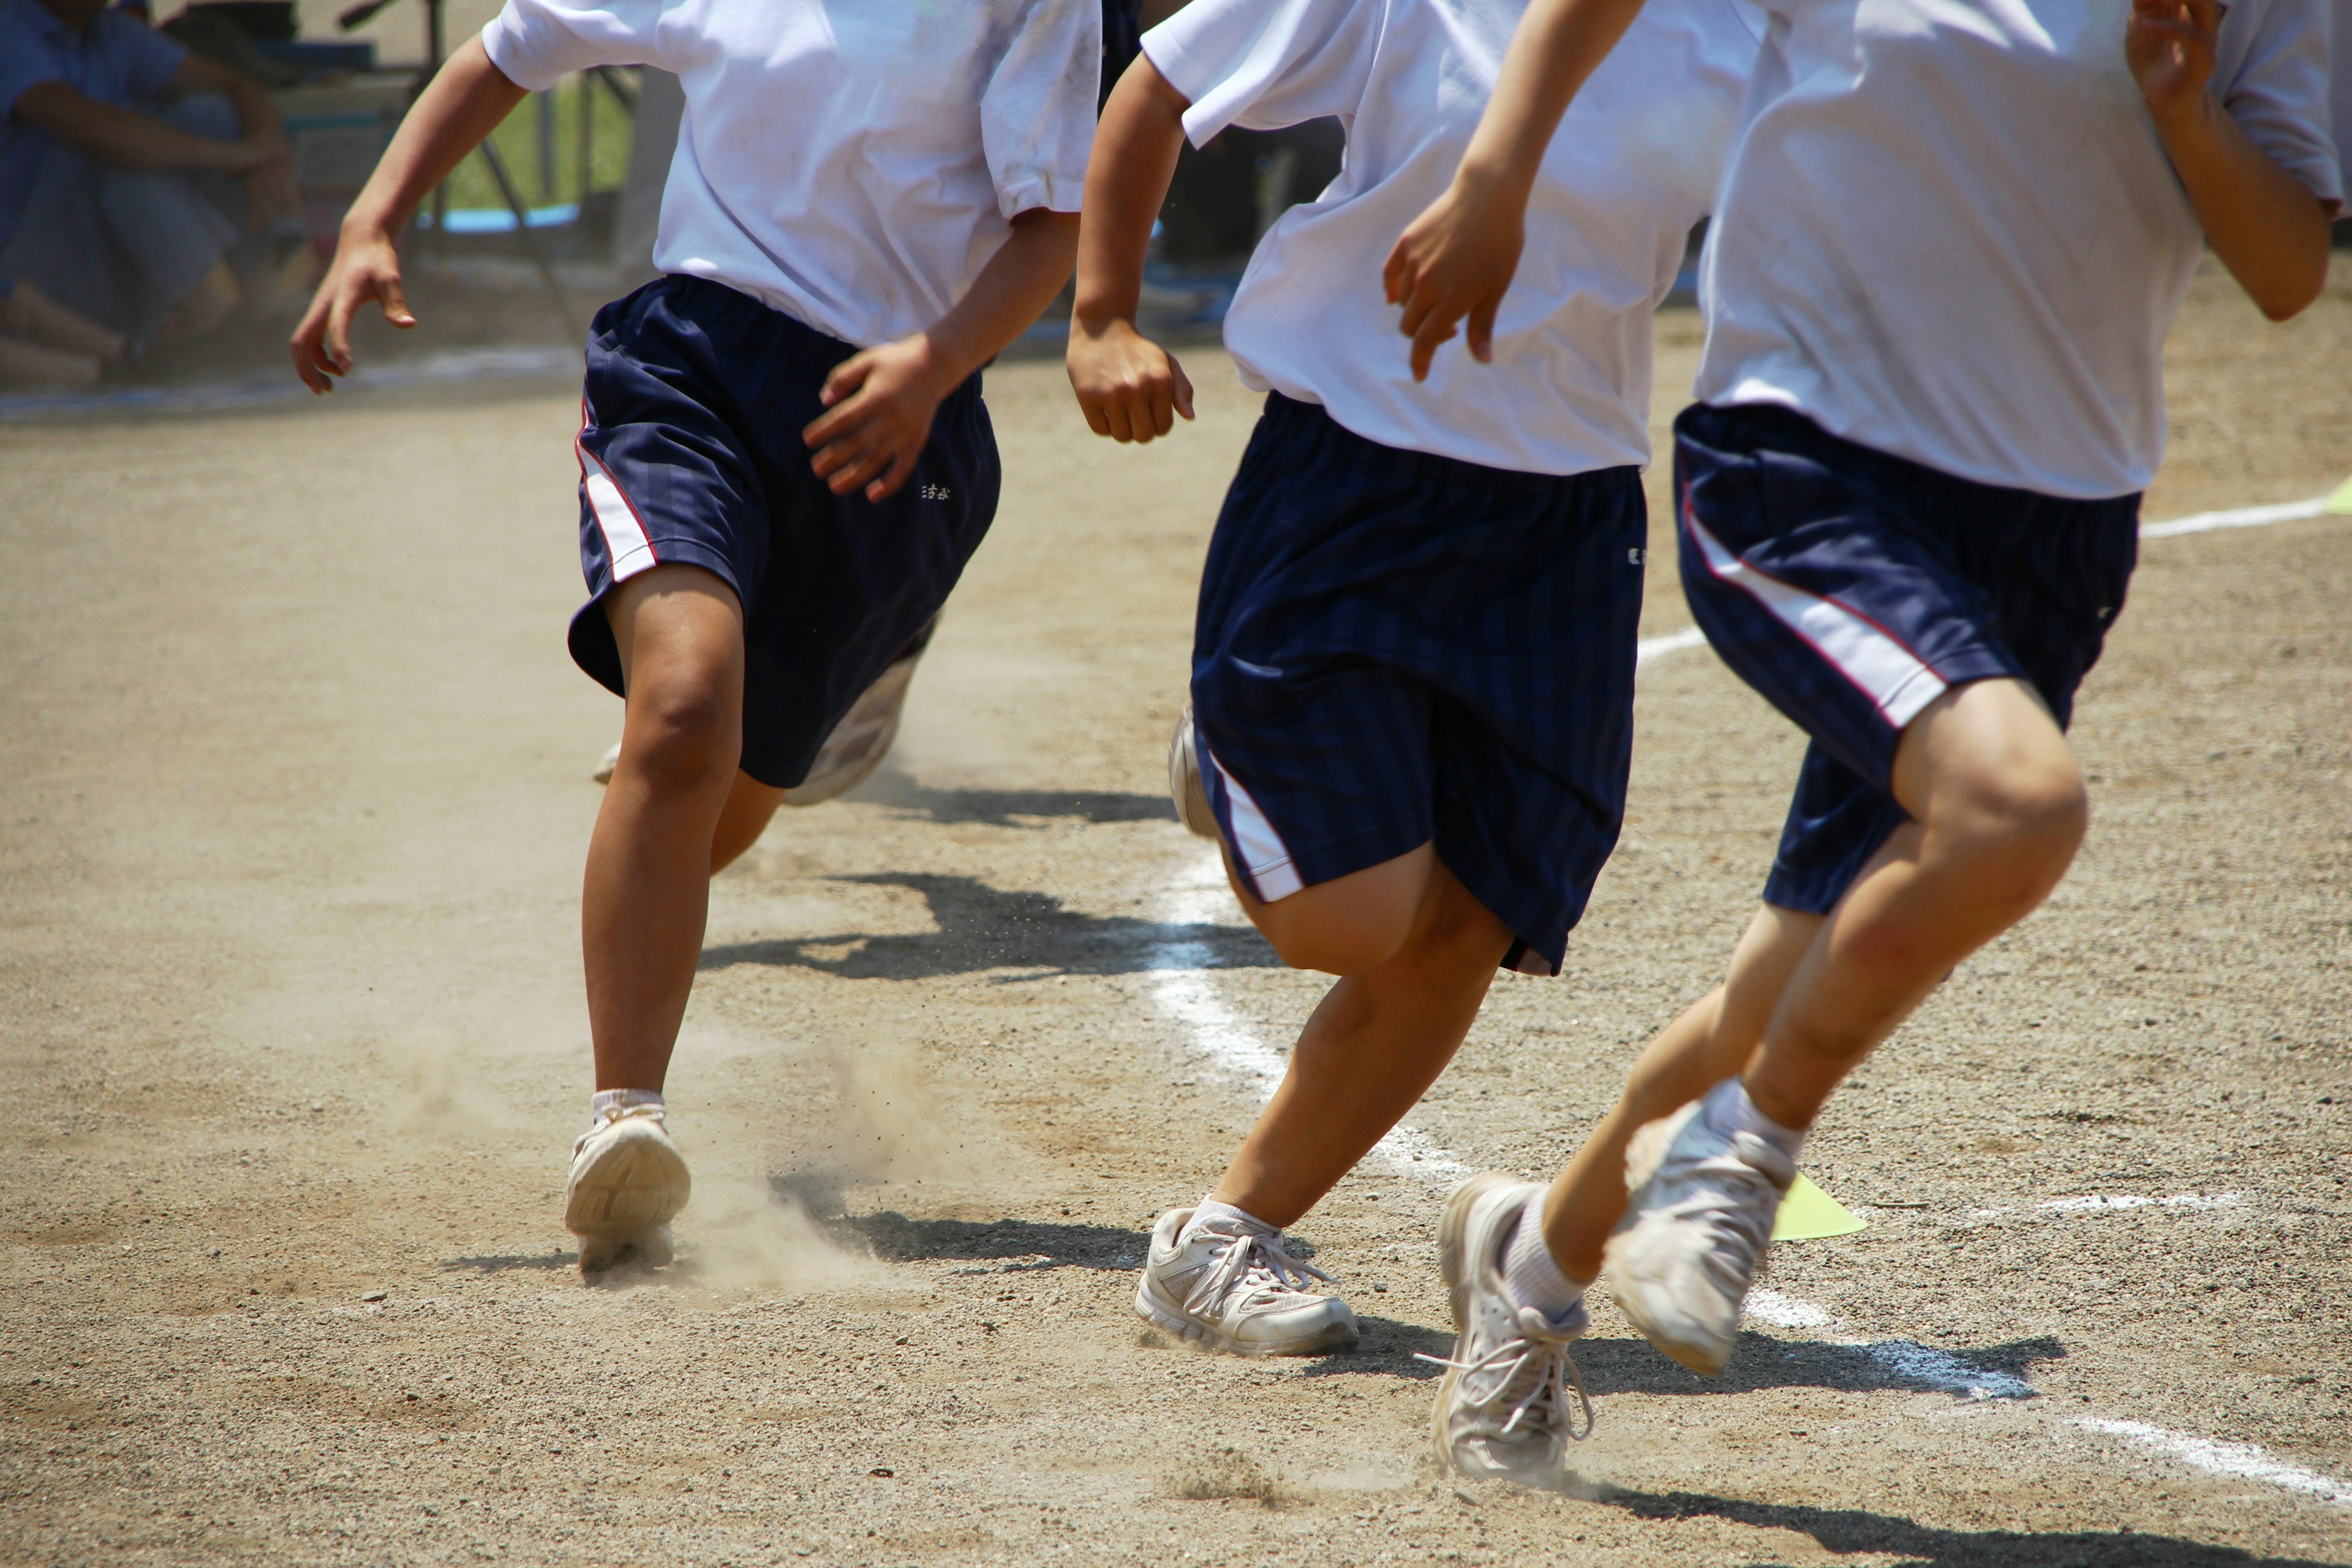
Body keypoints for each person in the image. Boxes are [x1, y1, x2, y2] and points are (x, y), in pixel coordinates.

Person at [1384, 0, 2337, 1432]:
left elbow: (2284, 271)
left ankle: (1527, 1262)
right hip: (1804, 454)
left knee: (1780, 981)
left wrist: (2184, 108)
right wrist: (1495, 168)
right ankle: (1736, 1166)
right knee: (2015, 805)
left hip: (2053, 522)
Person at [291, 0, 1097, 1273]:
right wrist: (372, 220)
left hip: (902, 418)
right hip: (694, 376)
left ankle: (852, 681)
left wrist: (936, 361)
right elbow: (508, 50)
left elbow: (1058, 218)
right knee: (678, 713)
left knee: (718, 811)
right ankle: (626, 1121)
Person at [1066, 0, 1758, 1480]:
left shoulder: (1746, 26)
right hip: (1353, 472)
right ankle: (1243, 753)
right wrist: (1101, 310)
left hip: (1566, 513)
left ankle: (1220, 1238)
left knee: (1469, 923)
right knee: (1350, 917)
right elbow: (1157, 90)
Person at [0, 0, 300, 341]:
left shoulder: (110, 31)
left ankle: (269, 298)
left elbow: (241, 87)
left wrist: (264, 151)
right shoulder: (9, 32)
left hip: (110, 255)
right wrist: (233, 157)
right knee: (119, 162)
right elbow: (99, 131)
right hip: (32, 269)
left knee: (212, 114)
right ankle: (216, 318)